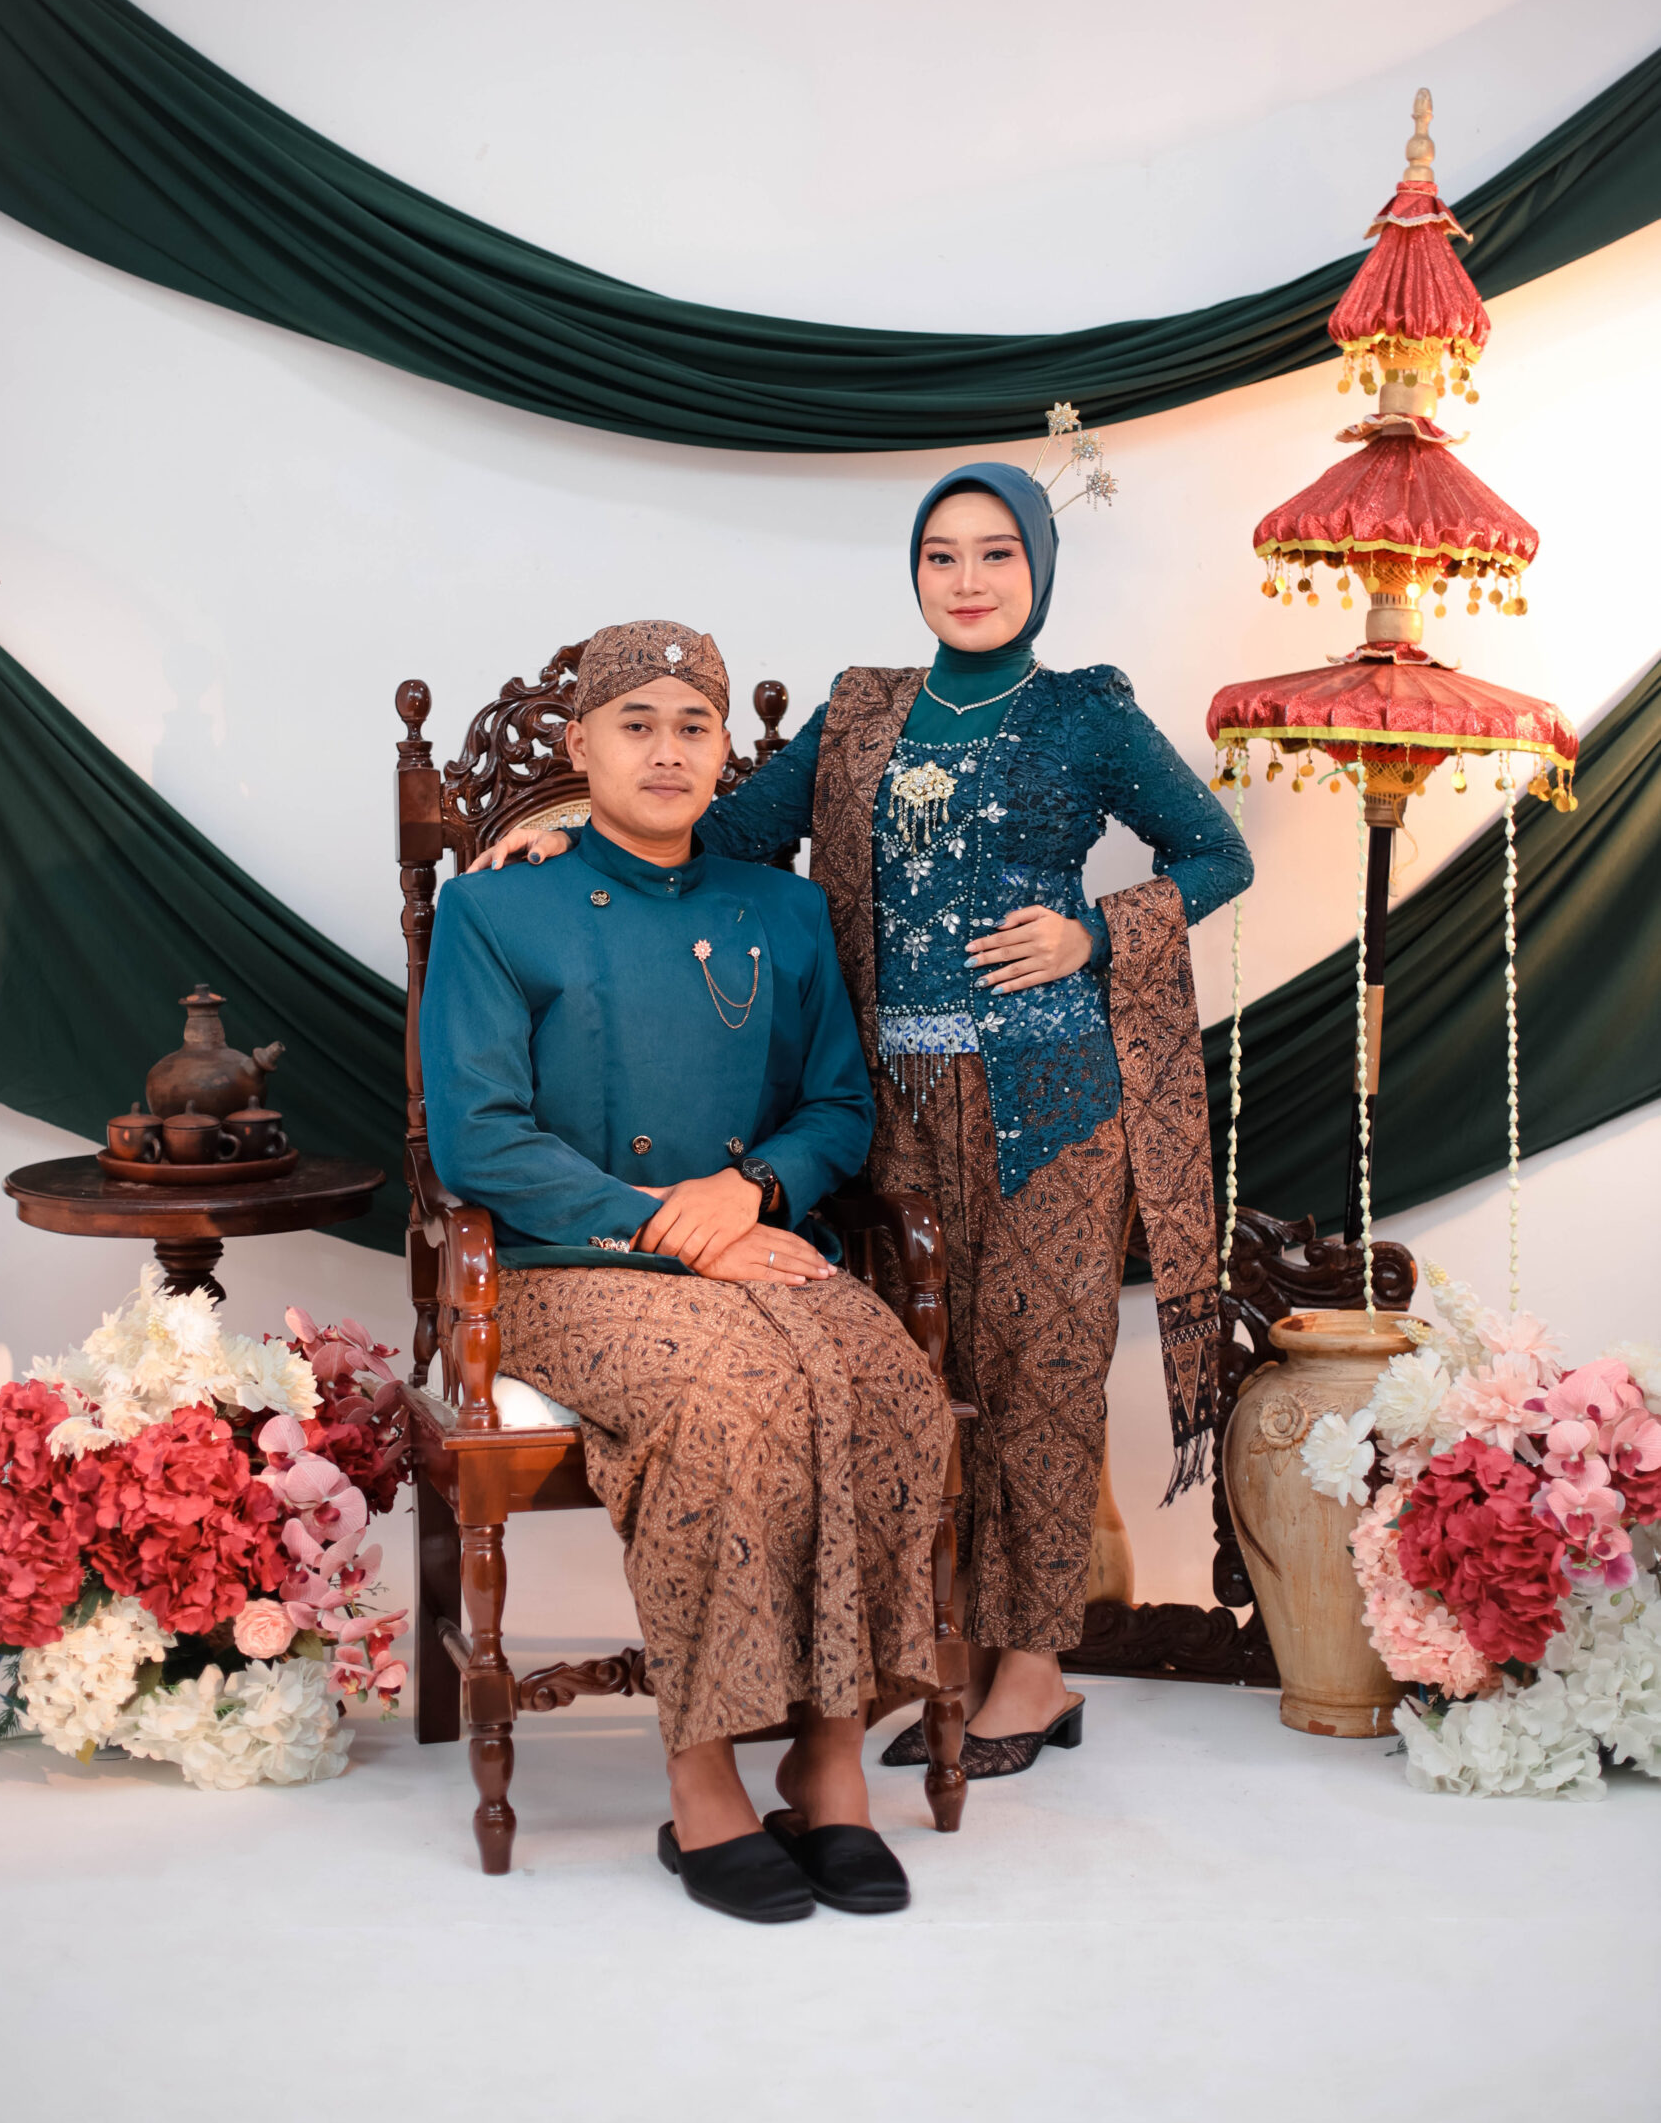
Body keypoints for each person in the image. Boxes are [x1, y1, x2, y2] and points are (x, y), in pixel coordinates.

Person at [474, 472, 1253, 1779]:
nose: (969, 580)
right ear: (915, 572)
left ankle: (1032, 1669)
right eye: (942, 555)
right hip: (883, 1104)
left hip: (1050, 1098)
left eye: (997, 554)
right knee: (920, 1369)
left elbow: (1217, 854)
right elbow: (719, 828)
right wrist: (564, 832)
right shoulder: (861, 711)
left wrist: (1091, 932)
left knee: (1041, 1373)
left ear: (1038, 568)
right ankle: (917, 1652)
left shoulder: (1087, 710)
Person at [420, 619, 952, 1925]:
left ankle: (828, 1762)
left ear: (723, 755)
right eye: (637, 725)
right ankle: (702, 1774)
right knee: (724, 1400)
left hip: (755, 1240)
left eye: (693, 727)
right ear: (579, 745)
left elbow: (838, 1108)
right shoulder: (497, 907)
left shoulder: (782, 908)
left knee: (890, 1383)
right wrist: (668, 1224)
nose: (667, 751)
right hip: (565, 1264)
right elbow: (480, 1138)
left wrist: (747, 1192)